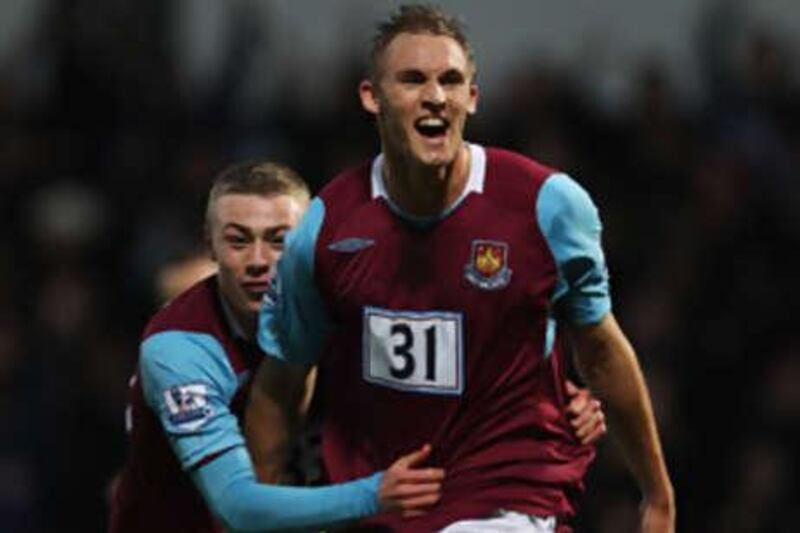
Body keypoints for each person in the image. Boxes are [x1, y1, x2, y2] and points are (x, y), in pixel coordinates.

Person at [249, 4, 674, 533]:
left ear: (472, 97)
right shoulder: (326, 229)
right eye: (412, 80)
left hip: (507, 494)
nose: (435, 96)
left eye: (451, 81)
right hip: (381, 505)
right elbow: (280, 384)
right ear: (371, 97)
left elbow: (602, 349)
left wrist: (656, 492)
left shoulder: (548, 206)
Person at [108, 160, 447, 533]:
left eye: (278, 241)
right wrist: (375, 493)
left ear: (310, 243)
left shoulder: (352, 312)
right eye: (238, 241)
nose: (258, 261)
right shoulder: (180, 349)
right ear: (210, 245)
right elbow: (238, 507)